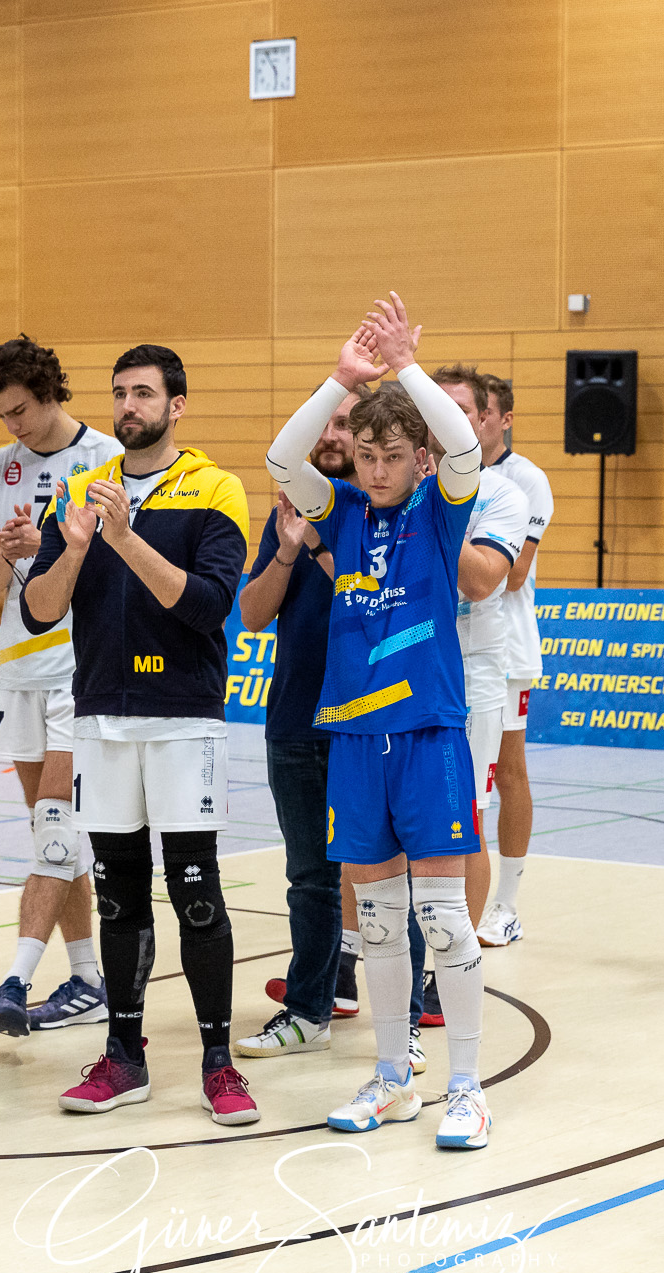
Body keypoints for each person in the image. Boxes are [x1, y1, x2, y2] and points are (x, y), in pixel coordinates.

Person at [264, 293, 495, 1150]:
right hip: (354, 743)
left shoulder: (442, 511)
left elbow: (465, 444)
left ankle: (466, 1083)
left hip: (429, 735)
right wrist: (340, 381)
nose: (374, 470)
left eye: (392, 456)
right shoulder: (344, 512)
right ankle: (393, 1077)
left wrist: (405, 368)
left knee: (442, 918)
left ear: (420, 461)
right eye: (364, 455)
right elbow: (284, 458)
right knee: (378, 926)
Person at [21, 344, 258, 1126]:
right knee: (121, 898)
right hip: (100, 717)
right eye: (120, 393)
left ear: (177, 405)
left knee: (197, 896)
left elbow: (208, 604)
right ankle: (125, 1055)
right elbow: (41, 610)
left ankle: (218, 1063)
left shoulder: (217, 488)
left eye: (145, 393)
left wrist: (124, 540)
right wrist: (81, 544)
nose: (129, 405)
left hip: (183, 716)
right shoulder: (81, 494)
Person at [0, 337, 119, 1035]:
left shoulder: (105, 457)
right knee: (52, 839)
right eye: (1, 415)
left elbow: (121, 574)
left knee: (58, 829)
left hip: (81, 668)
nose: (13, 427)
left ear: (51, 391)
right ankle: (89, 976)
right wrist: (6, 548)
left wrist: (51, 546)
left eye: (21, 410)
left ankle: (18, 976)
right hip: (18, 668)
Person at [234, 386, 362, 1061]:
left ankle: (401, 1019)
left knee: (385, 873)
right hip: (293, 719)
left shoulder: (380, 512)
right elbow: (253, 615)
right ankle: (309, 1009)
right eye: (328, 423)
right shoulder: (287, 513)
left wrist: (316, 543)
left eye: (345, 422)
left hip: (367, 722)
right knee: (309, 875)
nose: (333, 434)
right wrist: (286, 550)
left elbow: (372, 602)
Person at [432, 367, 532, 939]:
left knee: (463, 821)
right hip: (402, 669)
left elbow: (483, 583)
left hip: (473, 673)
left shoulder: (503, 493)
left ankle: (453, 963)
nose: (450, 421)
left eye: (462, 412)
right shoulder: (398, 481)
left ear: (483, 421)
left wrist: (440, 514)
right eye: (437, 409)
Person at [476, 370, 551, 947]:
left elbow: (514, 572)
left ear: (502, 419)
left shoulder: (525, 480)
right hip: (448, 643)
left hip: (506, 651)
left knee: (506, 772)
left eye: (481, 413)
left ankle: (506, 903)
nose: (471, 424)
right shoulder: (441, 470)